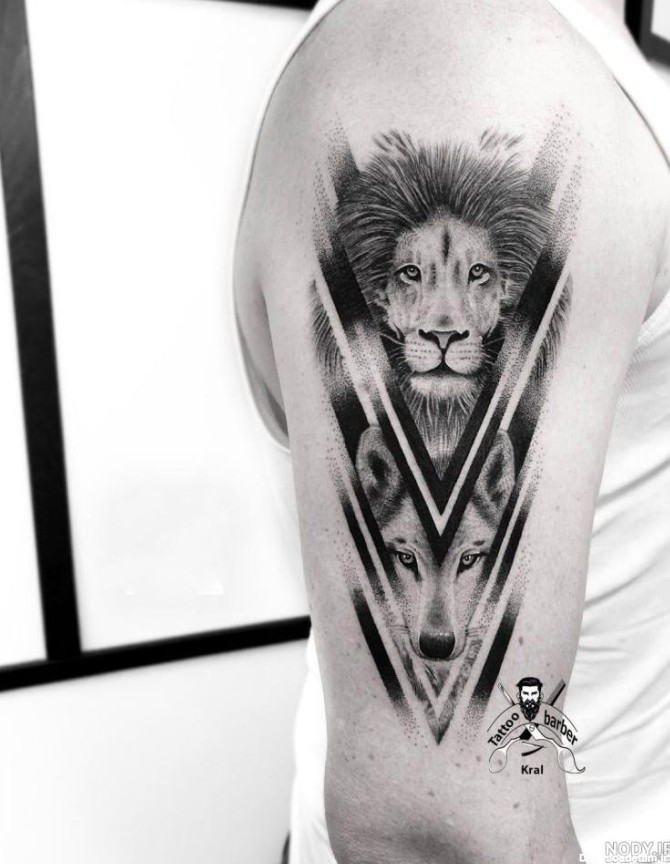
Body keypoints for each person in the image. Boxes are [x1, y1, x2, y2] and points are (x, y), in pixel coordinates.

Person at [234, 0, 670, 861]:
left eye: (475, 278)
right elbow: (439, 834)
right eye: (410, 279)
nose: (440, 320)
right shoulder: (472, 57)